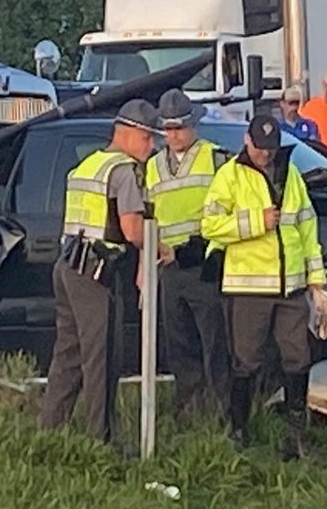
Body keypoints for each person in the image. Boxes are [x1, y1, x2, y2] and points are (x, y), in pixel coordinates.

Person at [201, 114, 327, 458]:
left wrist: (317, 281)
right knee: (246, 362)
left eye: (270, 149)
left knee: (298, 360)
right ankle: (239, 433)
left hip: (291, 287)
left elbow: (307, 228)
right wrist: (257, 222)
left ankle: (295, 438)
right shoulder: (229, 175)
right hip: (248, 288)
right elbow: (210, 225)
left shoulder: (292, 175)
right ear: (247, 141)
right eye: (259, 148)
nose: (265, 155)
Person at [41, 99, 159, 444]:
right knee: (102, 359)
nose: (152, 148)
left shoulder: (87, 165)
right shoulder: (124, 170)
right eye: (147, 139)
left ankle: (50, 432)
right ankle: (101, 441)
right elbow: (133, 230)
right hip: (97, 271)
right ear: (128, 133)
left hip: (68, 266)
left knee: (68, 356)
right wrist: (159, 248)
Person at [146, 89, 231, 421]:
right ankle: (189, 412)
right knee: (179, 345)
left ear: (193, 125)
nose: (174, 135)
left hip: (204, 264)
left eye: (179, 128)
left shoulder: (216, 158)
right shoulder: (152, 166)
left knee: (214, 343)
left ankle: (224, 413)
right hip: (169, 268)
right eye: (168, 129)